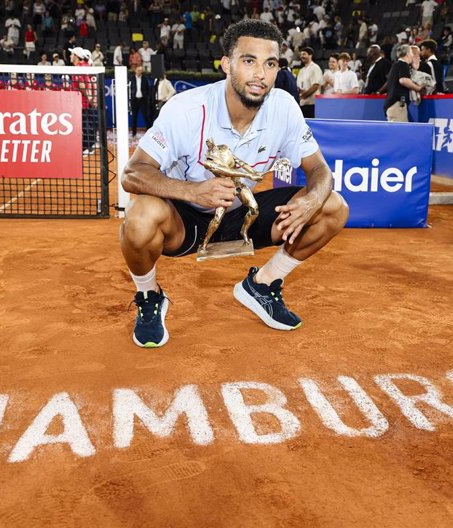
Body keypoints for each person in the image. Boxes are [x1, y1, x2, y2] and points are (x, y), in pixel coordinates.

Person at [119, 19, 349, 347]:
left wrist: (311, 201)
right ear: (227, 64)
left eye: (270, 63)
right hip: (184, 221)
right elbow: (132, 173)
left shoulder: (283, 106)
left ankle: (263, 284)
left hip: (242, 214)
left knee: (332, 206)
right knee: (140, 215)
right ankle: (149, 296)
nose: (260, 74)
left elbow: (321, 172)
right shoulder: (185, 109)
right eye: (249, 61)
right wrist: (193, 191)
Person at [384, 44, 423, 122]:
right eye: (412, 53)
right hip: (397, 105)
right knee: (399, 132)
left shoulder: (397, 64)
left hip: (393, 105)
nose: (413, 56)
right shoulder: (403, 64)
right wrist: (418, 88)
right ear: (408, 54)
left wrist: (415, 68)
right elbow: (403, 80)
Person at [296, 46, 323, 117]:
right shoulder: (301, 70)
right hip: (302, 103)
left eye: (304, 54)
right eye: (301, 54)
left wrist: (304, 96)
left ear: (310, 55)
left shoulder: (315, 68)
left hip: (312, 104)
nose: (302, 56)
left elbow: (315, 86)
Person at [129, 64, 151, 138]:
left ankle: (148, 133)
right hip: (134, 100)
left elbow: (148, 89)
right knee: (134, 117)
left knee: (146, 117)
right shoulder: (131, 78)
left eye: (140, 71)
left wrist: (146, 97)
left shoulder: (144, 78)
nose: (139, 72)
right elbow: (129, 89)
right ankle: (134, 134)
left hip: (142, 100)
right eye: (138, 70)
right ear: (135, 70)